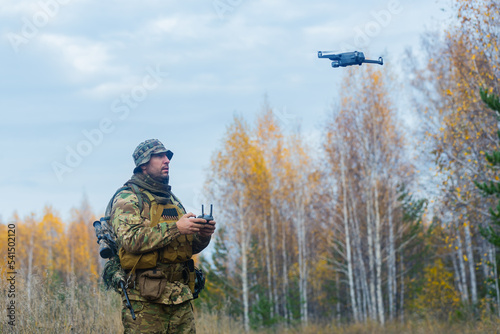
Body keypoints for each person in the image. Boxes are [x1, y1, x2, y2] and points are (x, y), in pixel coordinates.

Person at [109, 139, 216, 334]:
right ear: (143, 164)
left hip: (180, 299)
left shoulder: (172, 200)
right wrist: (176, 228)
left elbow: (186, 248)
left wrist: (203, 235)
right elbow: (130, 240)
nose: (167, 160)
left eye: (167, 156)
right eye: (159, 156)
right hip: (145, 303)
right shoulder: (128, 197)